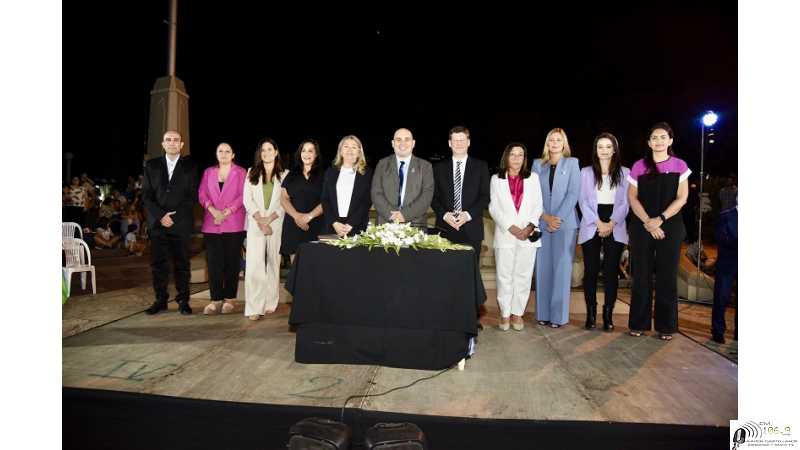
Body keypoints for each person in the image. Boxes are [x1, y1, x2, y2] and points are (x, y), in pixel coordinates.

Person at [627, 122, 690, 341]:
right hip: (642, 226)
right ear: (649, 142)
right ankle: (638, 323)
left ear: (670, 140)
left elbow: (682, 198)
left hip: (670, 225)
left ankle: (666, 326)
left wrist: (660, 219)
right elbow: (632, 198)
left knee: (667, 277)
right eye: (654, 137)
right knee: (641, 276)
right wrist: (648, 221)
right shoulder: (639, 166)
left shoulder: (680, 165)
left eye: (663, 137)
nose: (659, 141)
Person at [431, 126, 490, 329]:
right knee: (445, 275)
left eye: (462, 140)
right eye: (455, 140)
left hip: (471, 229)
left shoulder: (480, 167)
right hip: (445, 229)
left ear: (468, 142)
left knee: (470, 276)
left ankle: (471, 318)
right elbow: (434, 198)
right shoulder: (438, 168)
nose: (458, 143)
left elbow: (485, 197)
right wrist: (445, 215)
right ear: (449, 143)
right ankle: (447, 317)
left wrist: (466, 215)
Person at [578, 132, 630, 331]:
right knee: (590, 271)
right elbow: (582, 200)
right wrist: (597, 222)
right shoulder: (585, 172)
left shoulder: (625, 172)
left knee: (611, 271)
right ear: (596, 150)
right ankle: (591, 314)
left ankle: (608, 315)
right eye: (600, 147)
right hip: (592, 221)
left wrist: (612, 223)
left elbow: (626, 202)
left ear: (614, 149)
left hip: (616, 221)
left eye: (608, 147)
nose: (605, 150)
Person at [142, 130, 198, 315]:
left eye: (176, 140)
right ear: (163, 144)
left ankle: (183, 300)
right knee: (158, 265)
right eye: (168, 139)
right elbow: (146, 196)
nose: (172, 142)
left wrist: (173, 217)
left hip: (180, 224)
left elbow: (192, 196)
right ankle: (160, 300)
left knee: (182, 264)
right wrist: (161, 216)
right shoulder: (151, 165)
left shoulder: (190, 167)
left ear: (181, 145)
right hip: (158, 224)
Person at [488, 143, 543, 331]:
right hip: (506, 234)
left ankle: (517, 313)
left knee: (523, 275)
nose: (517, 158)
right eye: (513, 154)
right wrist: (511, 228)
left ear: (524, 159)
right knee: (504, 275)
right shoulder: (496, 179)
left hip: (527, 235)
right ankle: (505, 313)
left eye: (520, 155)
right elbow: (494, 208)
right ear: (506, 157)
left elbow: (538, 205)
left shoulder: (533, 178)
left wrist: (529, 227)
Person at [532, 128, 580, 328]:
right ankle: (543, 314)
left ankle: (558, 317)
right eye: (551, 140)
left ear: (564, 143)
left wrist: (557, 218)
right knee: (543, 269)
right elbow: (533, 194)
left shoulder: (572, 163)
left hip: (565, 224)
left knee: (562, 269)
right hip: (542, 222)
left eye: (558, 140)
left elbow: (573, 193)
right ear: (547, 143)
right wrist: (545, 217)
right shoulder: (537, 164)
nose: (554, 143)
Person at [198, 142, 247, 315]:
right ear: (216, 154)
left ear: (233, 155)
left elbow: (243, 195)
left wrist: (227, 211)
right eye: (220, 151)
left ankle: (230, 299)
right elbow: (202, 193)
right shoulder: (208, 172)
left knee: (231, 263)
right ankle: (215, 300)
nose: (224, 154)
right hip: (212, 223)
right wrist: (212, 210)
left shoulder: (241, 172)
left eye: (227, 151)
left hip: (234, 222)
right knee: (214, 263)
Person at [243, 138, 288, 320]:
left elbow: (285, 202)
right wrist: (260, 220)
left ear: (276, 152)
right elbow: (247, 199)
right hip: (256, 223)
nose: (266, 153)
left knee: (273, 262)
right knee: (254, 265)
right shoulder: (251, 173)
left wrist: (269, 219)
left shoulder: (285, 175)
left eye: (270, 149)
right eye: (263, 150)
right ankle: (254, 307)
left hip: (276, 223)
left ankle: (270, 301)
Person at [371, 128, 434, 228]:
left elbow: (427, 195)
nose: (402, 143)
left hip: (415, 226)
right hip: (385, 225)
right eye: (398, 139)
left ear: (413, 143)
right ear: (393, 143)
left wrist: (405, 215)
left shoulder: (425, 166)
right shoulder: (382, 164)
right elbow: (376, 193)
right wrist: (392, 215)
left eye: (407, 139)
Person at [279, 139, 324, 263]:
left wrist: (309, 216)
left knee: (315, 266)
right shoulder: (292, 174)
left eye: (310, 151)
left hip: (315, 225)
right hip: (294, 225)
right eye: (303, 151)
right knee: (296, 267)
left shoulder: (324, 174)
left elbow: (327, 200)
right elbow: (283, 198)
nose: (306, 154)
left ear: (316, 154)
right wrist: (297, 217)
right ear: (299, 154)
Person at [320, 135, 374, 237]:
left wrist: (351, 224)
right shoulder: (330, 172)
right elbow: (325, 199)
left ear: (359, 152)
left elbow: (367, 200)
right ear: (340, 151)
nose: (350, 150)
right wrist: (334, 223)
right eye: (346, 146)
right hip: (333, 227)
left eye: (354, 147)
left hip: (356, 226)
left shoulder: (367, 173)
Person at [711, 188, 737, 344]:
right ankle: (718, 330)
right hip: (728, 263)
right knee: (721, 297)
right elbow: (721, 238)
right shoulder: (726, 216)